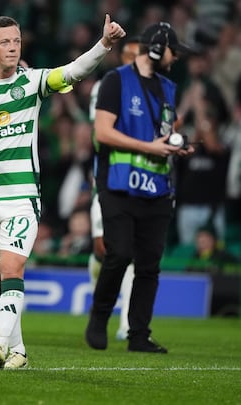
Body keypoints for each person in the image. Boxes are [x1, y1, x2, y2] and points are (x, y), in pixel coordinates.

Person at [0, 14, 126, 369]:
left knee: (14, 268)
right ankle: (19, 351)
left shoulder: (33, 82)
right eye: (5, 42)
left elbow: (74, 71)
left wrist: (104, 44)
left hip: (21, 195)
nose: (13, 47)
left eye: (17, 41)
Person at [85, 21, 196, 354]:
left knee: (149, 264)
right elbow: (103, 133)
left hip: (157, 186)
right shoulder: (115, 81)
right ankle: (99, 318)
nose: (175, 59)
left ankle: (138, 335)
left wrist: (176, 145)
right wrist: (150, 148)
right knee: (118, 253)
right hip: (117, 184)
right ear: (160, 49)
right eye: (174, 52)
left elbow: (160, 132)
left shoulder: (168, 88)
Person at [87, 35, 140, 342]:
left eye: (139, 56)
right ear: (122, 58)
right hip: (108, 177)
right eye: (129, 55)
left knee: (130, 251)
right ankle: (99, 290)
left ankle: (126, 324)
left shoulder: (152, 88)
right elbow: (100, 134)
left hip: (141, 181)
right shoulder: (107, 85)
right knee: (102, 248)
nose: (134, 61)